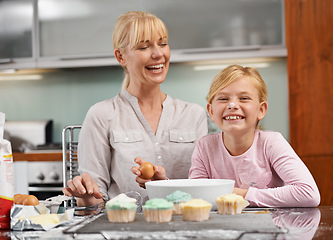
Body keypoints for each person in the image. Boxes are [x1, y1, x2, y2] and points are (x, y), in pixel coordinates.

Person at [62, 11, 208, 206]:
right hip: (123, 232)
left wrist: (163, 186)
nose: (158, 54)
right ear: (120, 56)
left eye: (163, 43)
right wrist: (86, 195)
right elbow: (94, 206)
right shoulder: (101, 115)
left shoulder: (193, 115)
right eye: (144, 47)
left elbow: (202, 191)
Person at [188, 64, 320, 207]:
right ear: (211, 111)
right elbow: (196, 196)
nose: (232, 105)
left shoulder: (271, 142)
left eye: (244, 98)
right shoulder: (204, 146)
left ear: (261, 110)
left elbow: (308, 193)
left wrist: (241, 195)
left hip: (271, 226)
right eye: (223, 99)